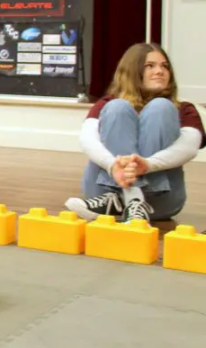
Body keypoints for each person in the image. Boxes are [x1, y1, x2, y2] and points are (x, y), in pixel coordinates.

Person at [65, 43, 203, 223]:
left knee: (160, 107)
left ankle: (133, 203)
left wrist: (148, 164)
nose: (160, 71)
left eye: (164, 66)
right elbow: (87, 139)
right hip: (104, 196)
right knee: (117, 107)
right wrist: (113, 165)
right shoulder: (108, 103)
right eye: (150, 66)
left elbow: (190, 146)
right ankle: (133, 201)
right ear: (133, 70)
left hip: (159, 200)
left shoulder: (183, 108)